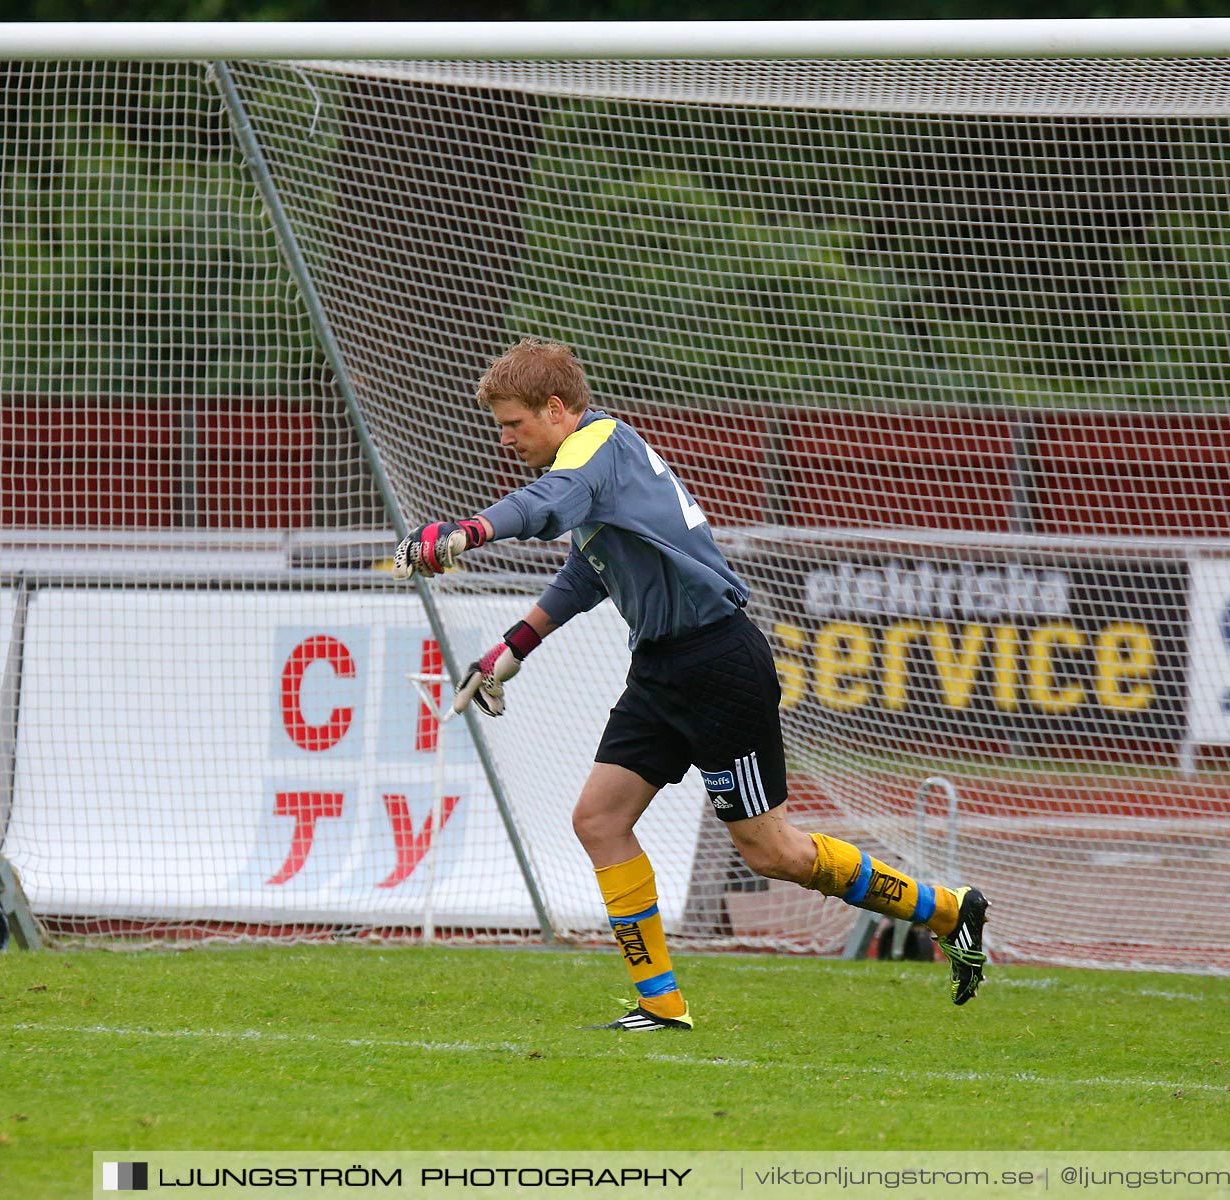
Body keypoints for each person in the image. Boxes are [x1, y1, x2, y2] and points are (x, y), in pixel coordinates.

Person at [391, 338, 986, 1031]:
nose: (506, 438)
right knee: (599, 820)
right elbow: (588, 571)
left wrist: (470, 531)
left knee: (773, 852)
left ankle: (949, 910)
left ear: (556, 410)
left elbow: (545, 504)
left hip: (717, 662)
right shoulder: (594, 468)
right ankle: (660, 1003)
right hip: (661, 669)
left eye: (514, 423)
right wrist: (514, 647)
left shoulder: (596, 447)